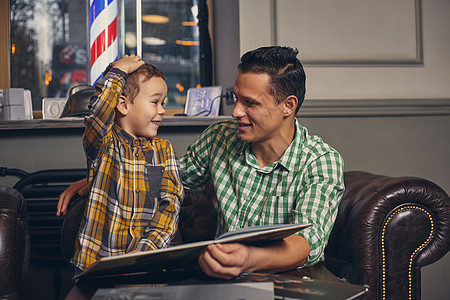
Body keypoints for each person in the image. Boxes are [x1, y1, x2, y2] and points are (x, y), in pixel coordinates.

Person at [58, 46, 344, 281]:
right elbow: (167, 178)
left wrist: (248, 258)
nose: (235, 112)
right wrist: (101, 176)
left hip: (288, 281)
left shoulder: (321, 161)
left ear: (288, 105)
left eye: (250, 103)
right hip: (223, 280)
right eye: (235, 99)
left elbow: (307, 242)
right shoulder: (221, 138)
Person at [57, 54, 184, 279]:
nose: (162, 110)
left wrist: (144, 252)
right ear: (123, 104)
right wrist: (118, 70)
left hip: (146, 266)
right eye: (155, 102)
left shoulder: (165, 151)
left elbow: (170, 207)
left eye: (163, 103)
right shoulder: (104, 144)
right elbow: (98, 115)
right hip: (94, 266)